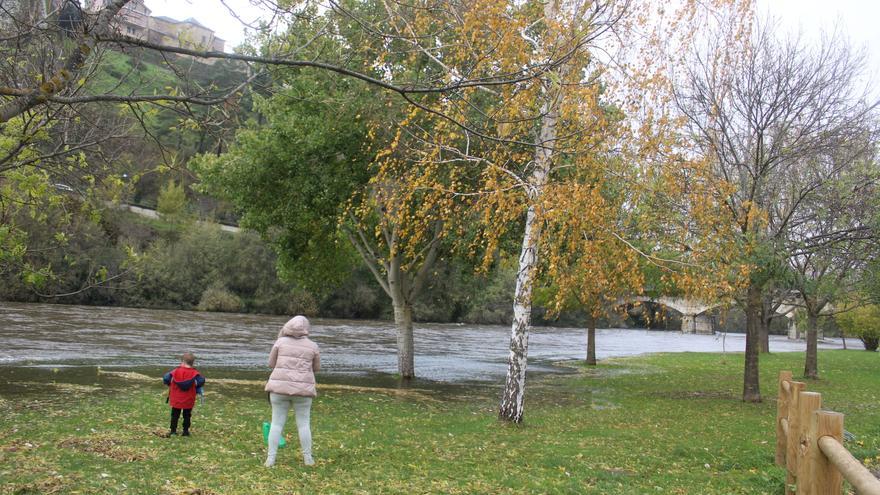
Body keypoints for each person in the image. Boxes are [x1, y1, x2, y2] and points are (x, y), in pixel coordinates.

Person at [264, 315, 320, 467]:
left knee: (276, 423)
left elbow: (271, 364)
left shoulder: (280, 342)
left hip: (278, 389)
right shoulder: (313, 346)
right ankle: (308, 458)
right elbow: (316, 368)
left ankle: (270, 459)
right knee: (303, 424)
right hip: (303, 390)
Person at [162, 352, 205, 437]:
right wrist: (196, 384)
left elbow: (166, 378)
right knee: (187, 415)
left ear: (182, 362)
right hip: (189, 398)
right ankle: (185, 431)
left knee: (175, 415)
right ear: (192, 363)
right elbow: (202, 381)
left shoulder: (175, 371)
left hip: (176, 398)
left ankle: (173, 431)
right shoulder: (195, 373)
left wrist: (169, 384)